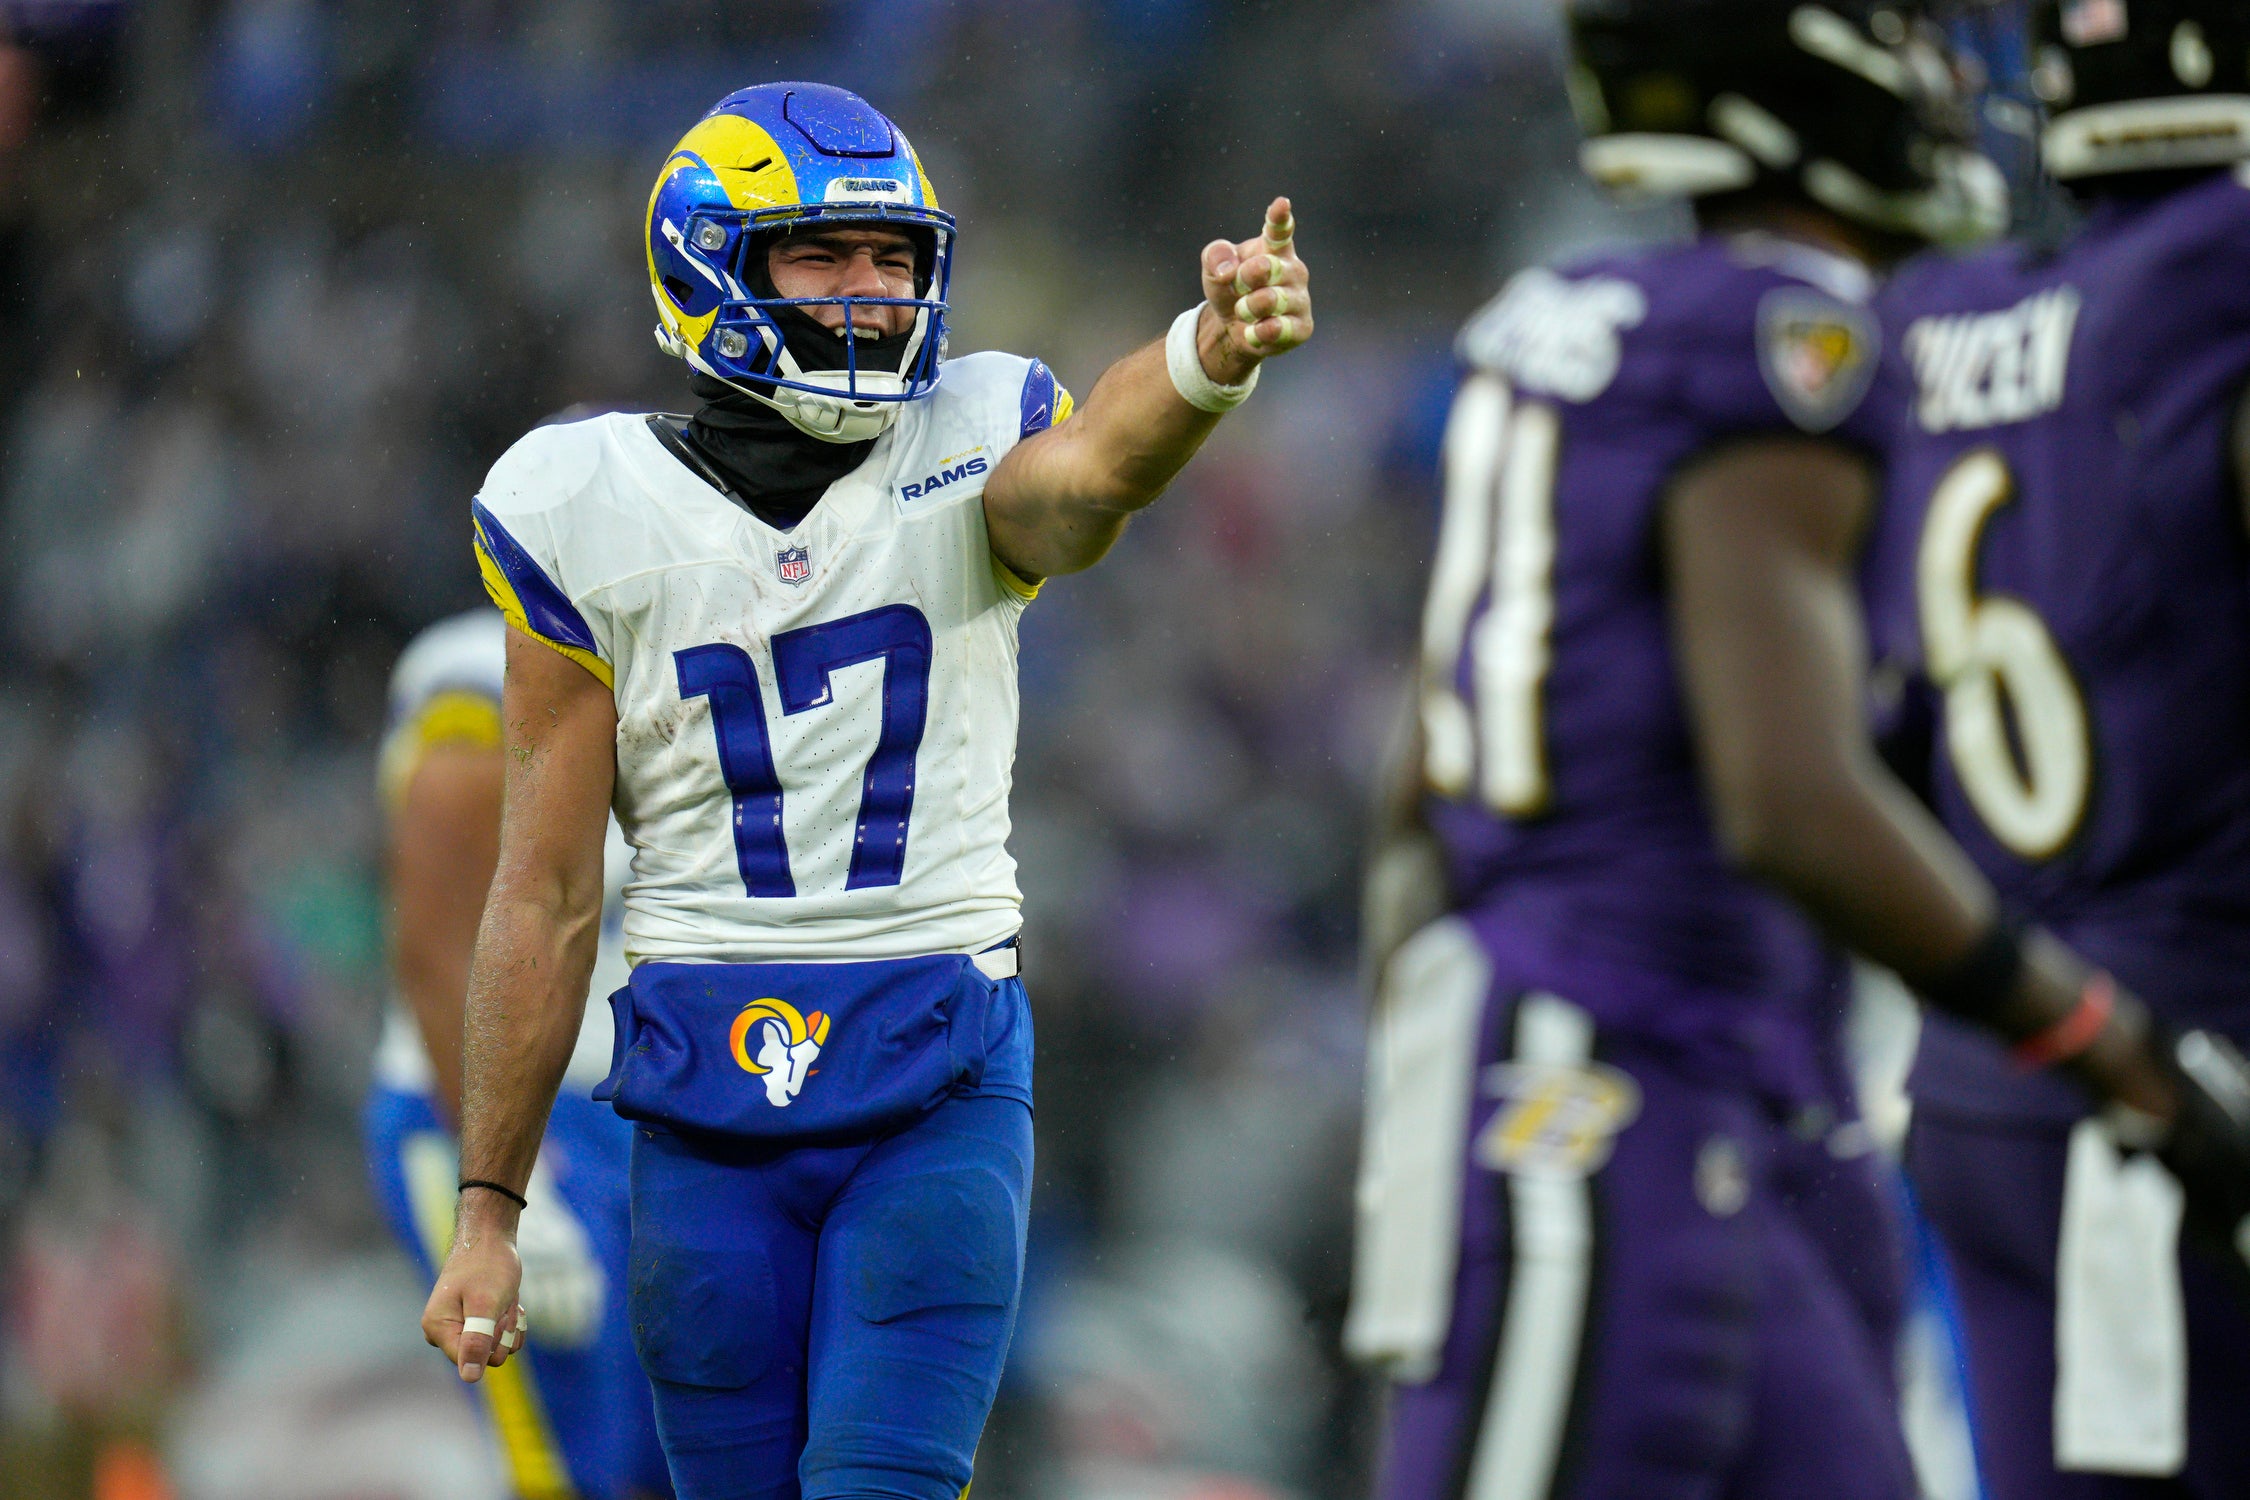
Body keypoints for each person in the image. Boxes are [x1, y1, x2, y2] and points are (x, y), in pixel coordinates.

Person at [1347, 2, 2250, 1497]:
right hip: (1607, 1081)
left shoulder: (1600, 314)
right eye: (1897, 35)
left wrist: (1419, 1096)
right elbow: (1796, 799)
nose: (1947, 78)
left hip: (1736, 1093)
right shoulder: (1783, 338)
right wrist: (2099, 1044)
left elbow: (1416, 797)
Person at [416, 81, 1313, 1498]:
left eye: (893, 259)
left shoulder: (968, 443)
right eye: (821, 256)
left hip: (930, 1072)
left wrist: (1202, 358)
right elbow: (546, 891)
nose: (868, 294)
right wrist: (488, 1210)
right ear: (710, 264)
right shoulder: (579, 508)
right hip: (701, 1101)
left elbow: (1084, 481)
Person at [1865, 0, 2250, 1490]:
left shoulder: (1939, 314)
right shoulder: (2213, 278)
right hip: (2190, 1072)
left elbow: (1887, 730)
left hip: (1998, 1070)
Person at [368, 606, 671, 1499]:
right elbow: (434, 949)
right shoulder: (478, 668)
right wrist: (506, 1192)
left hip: (663, 1108)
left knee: (683, 1458)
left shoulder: (717, 622)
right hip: (513, 1112)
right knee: (570, 1464)